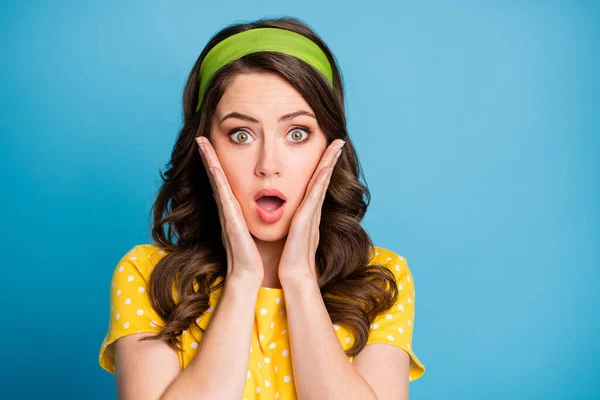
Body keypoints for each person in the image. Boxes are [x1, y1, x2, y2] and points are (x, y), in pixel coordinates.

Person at [98, 16, 426, 399]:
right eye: (241, 134)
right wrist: (242, 279)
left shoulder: (381, 280)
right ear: (206, 149)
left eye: (297, 133)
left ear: (330, 149)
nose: (268, 164)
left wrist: (300, 279)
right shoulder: (146, 276)